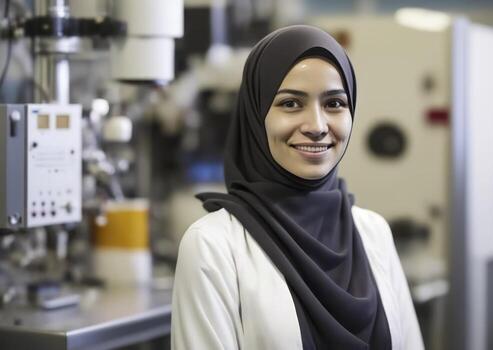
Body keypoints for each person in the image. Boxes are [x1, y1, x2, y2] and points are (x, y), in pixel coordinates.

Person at [171, 25, 424, 350]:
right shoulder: (213, 246)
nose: (317, 126)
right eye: (291, 104)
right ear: (255, 114)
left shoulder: (372, 232)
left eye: (334, 103)